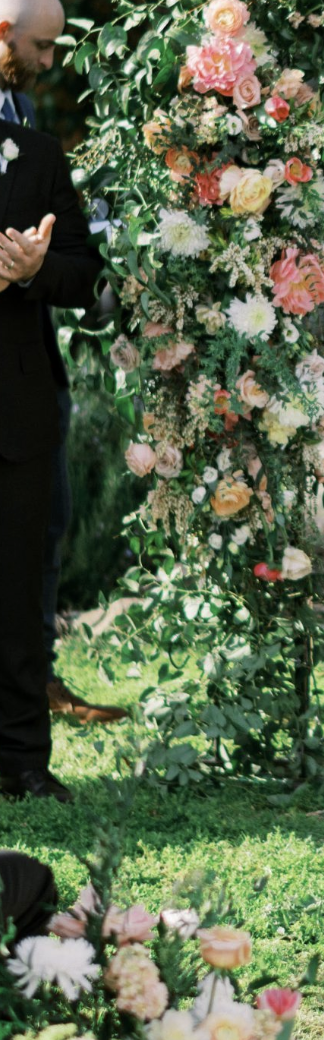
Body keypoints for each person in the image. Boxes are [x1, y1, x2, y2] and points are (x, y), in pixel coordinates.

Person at [0, 0, 127, 728]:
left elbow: (82, 269)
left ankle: (31, 695)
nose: (52, 61)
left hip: (23, 385)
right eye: (43, 45)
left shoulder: (33, 137)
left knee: (39, 540)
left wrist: (37, 268)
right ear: (4, 31)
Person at [0, 114, 101, 802]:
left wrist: (37, 270)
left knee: (17, 591)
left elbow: (85, 274)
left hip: (14, 409)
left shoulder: (34, 155)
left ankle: (22, 760)